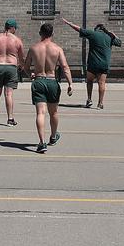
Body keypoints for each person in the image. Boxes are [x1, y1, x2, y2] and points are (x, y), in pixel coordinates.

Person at [23, 22, 74, 154]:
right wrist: (70, 84)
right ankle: (53, 136)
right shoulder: (57, 49)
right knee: (54, 112)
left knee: (40, 113)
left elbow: (26, 67)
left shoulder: (34, 48)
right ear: (52, 34)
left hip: (39, 81)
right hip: (52, 82)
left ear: (41, 33)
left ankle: (41, 142)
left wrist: (31, 76)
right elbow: (65, 67)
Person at [60, 18, 120, 110]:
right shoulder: (109, 36)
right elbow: (119, 43)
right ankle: (100, 103)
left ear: (96, 29)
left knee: (90, 81)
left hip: (93, 63)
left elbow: (79, 29)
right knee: (102, 83)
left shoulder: (93, 34)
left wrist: (69, 23)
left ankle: (89, 99)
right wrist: (113, 34)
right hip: (104, 64)